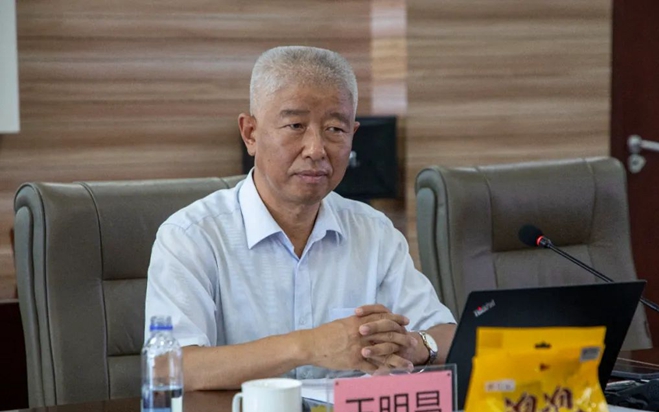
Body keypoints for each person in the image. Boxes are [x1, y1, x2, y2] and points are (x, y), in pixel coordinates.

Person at [145, 46, 456, 391]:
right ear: (250, 133)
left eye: (335, 129)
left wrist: (415, 345)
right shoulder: (191, 236)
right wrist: (308, 346)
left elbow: (447, 334)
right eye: (295, 125)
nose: (316, 149)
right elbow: (170, 367)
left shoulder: (374, 232)